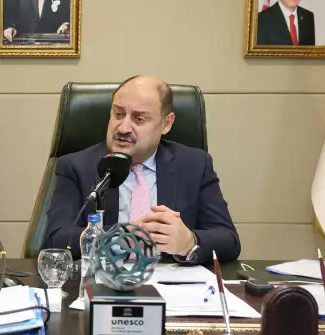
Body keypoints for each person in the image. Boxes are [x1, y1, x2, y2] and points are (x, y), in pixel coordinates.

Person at [42, 75, 240, 264]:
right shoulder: (76, 166)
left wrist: (189, 241)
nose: (123, 128)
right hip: (104, 279)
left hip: (172, 281)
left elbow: (228, 240)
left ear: (166, 123)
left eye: (139, 119)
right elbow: (57, 239)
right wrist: (119, 238)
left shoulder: (195, 165)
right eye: (118, 114)